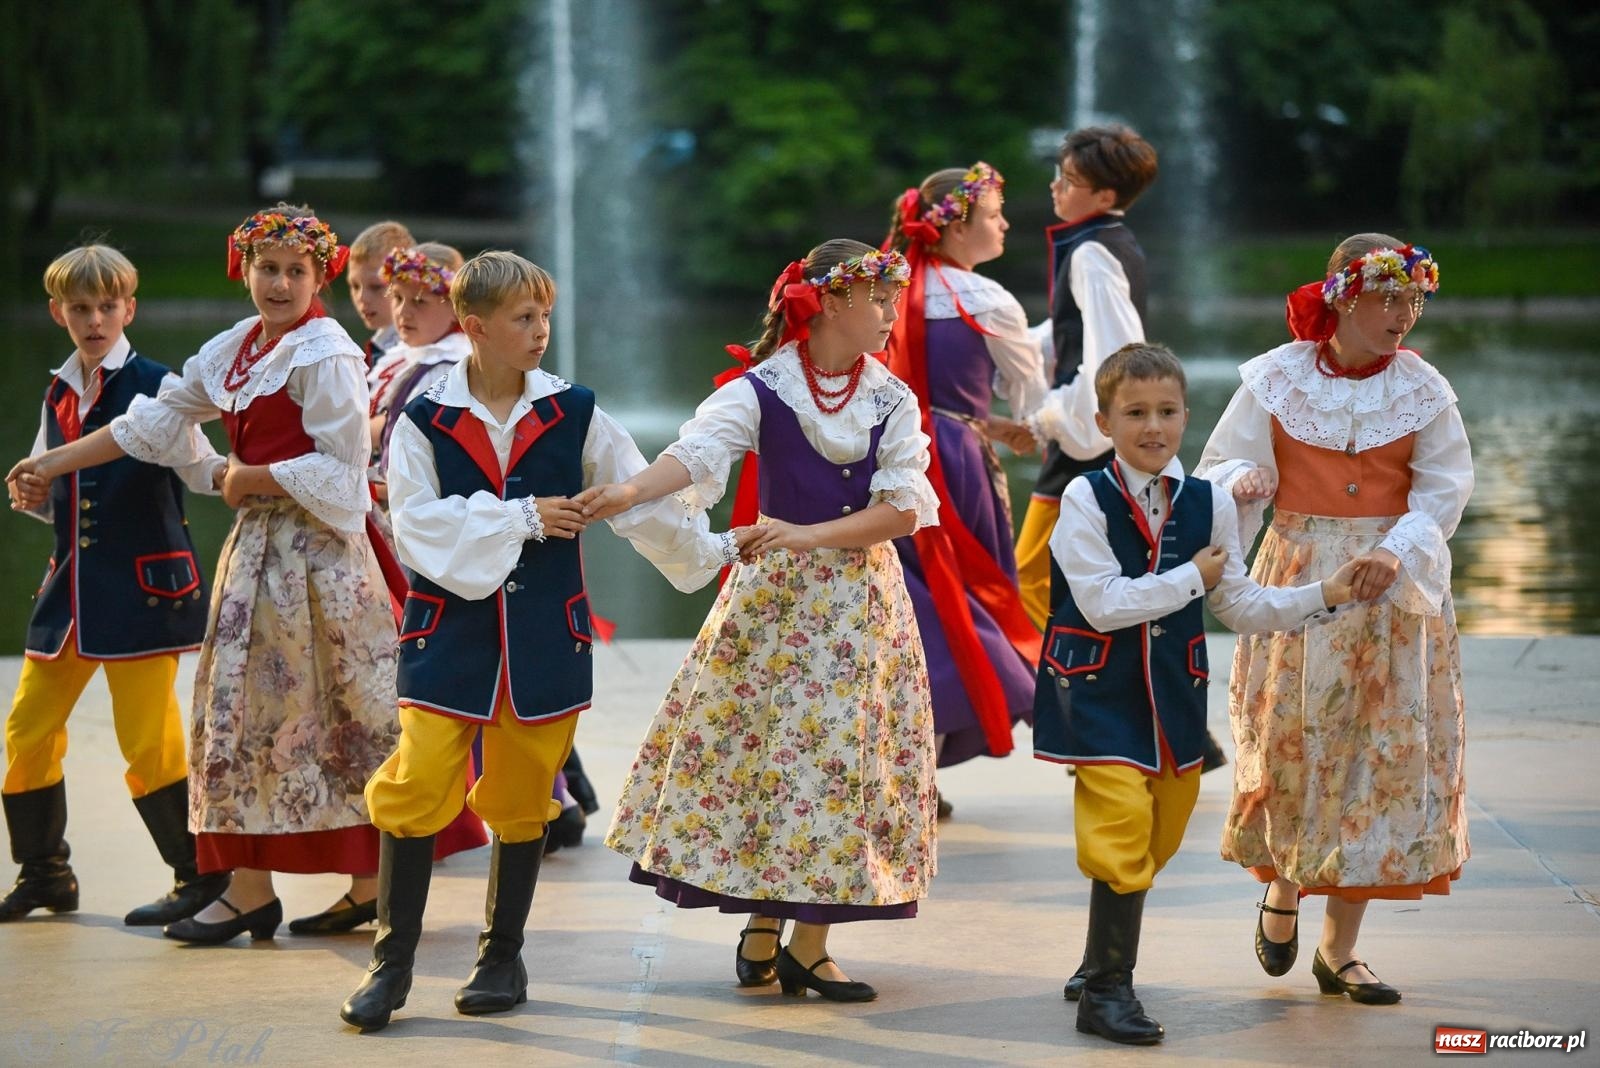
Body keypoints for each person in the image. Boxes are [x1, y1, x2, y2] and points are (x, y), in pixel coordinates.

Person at [340, 251, 736, 1032]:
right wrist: (523, 517)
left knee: (524, 798)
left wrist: (713, 548)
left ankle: (501, 958)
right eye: (525, 318)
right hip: (447, 639)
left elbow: (635, 496)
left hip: (547, 639)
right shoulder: (423, 418)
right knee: (417, 783)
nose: (541, 331)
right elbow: (414, 527)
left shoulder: (574, 411)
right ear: (476, 327)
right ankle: (391, 966)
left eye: (545, 316)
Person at [8, 205, 402, 945]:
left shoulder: (326, 353)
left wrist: (248, 476)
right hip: (255, 553)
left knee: (338, 717)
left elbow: (345, 477)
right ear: (243, 270)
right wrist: (49, 462)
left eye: (295, 271)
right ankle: (247, 891)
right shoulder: (238, 348)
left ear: (318, 277)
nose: (279, 284)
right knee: (237, 720)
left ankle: (368, 884)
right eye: (266, 268)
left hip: (318, 556)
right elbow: (149, 425)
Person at [588, 240, 939, 1003]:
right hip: (776, 606)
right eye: (879, 298)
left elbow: (903, 511)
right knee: (773, 762)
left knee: (837, 765)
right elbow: (695, 454)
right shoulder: (765, 386)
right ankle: (764, 921)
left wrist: (807, 534)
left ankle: (807, 945)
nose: (891, 312)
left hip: (857, 604)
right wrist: (627, 492)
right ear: (833, 302)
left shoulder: (891, 399)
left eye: (893, 297)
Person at [1035, 342, 1363, 1044]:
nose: (1153, 426)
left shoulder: (1209, 501)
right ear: (1104, 422)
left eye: (1167, 411)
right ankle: (1109, 993)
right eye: (1134, 413)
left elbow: (1237, 602)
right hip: (1095, 690)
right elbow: (1102, 604)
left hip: (1173, 693)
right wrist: (1192, 577)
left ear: (1186, 415)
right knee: (1120, 824)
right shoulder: (1084, 497)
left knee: (1159, 832)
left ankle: (1098, 959)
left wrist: (1323, 594)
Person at [1195, 235, 1471, 1006]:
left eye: (1414, 299)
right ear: (1345, 297)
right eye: (1390, 298)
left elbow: (1445, 489)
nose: (1405, 315)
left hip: (1389, 584)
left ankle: (1340, 950)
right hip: (1300, 574)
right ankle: (1284, 885)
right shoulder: (1276, 379)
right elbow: (1220, 468)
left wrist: (1396, 548)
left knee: (1377, 757)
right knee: (1294, 739)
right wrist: (1242, 483)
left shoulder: (1423, 389)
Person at [2, 245, 229, 927]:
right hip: (70, 593)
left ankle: (198, 876)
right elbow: (57, 492)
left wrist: (244, 479)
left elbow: (199, 467)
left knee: (148, 742)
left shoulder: (160, 386)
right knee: (26, 729)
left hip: (144, 592)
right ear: (59, 313)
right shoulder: (58, 391)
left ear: (129, 309)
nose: (95, 320)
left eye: (107, 306)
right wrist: (33, 493)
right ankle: (45, 872)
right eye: (81, 308)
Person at [881, 162, 1048, 786]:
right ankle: (928, 755)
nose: (1005, 225)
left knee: (908, 597)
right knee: (960, 592)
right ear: (955, 228)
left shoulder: (886, 290)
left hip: (885, 454)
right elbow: (1029, 396)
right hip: (952, 461)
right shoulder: (985, 299)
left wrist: (985, 422)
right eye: (995, 215)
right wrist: (1020, 426)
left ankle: (904, 761)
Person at [347, 219, 414, 369]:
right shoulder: (380, 343)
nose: (362, 298)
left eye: (376, 287)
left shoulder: (415, 352)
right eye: (355, 286)